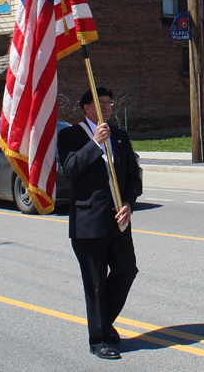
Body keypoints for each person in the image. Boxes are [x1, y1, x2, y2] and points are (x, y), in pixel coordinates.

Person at [58, 86, 142, 360]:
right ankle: (98, 340)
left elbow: (133, 176)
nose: (106, 106)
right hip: (88, 222)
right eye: (100, 102)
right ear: (86, 108)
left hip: (118, 220)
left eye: (109, 102)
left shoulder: (119, 136)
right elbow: (70, 168)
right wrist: (94, 143)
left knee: (127, 270)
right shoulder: (70, 135)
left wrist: (129, 203)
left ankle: (104, 322)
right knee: (94, 283)